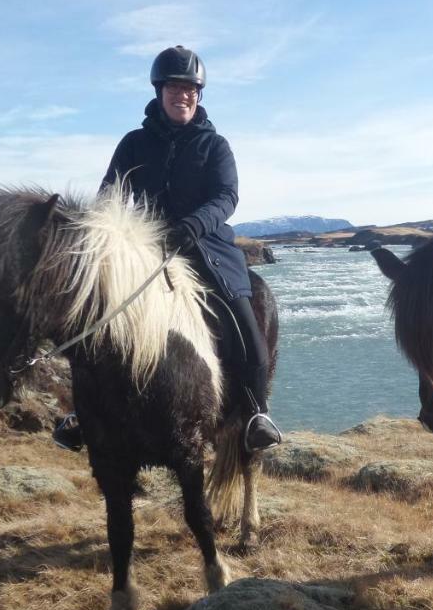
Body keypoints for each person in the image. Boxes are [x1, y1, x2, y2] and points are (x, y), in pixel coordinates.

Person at [53, 45, 282, 453]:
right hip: (143, 252)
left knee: (246, 325)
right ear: (160, 92)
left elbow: (227, 197)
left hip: (206, 249)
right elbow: (109, 195)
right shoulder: (133, 144)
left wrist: (192, 226)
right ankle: (83, 413)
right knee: (93, 323)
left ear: (200, 94)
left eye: (191, 89)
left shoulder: (215, 146)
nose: (184, 95)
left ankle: (255, 413)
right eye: (176, 87)